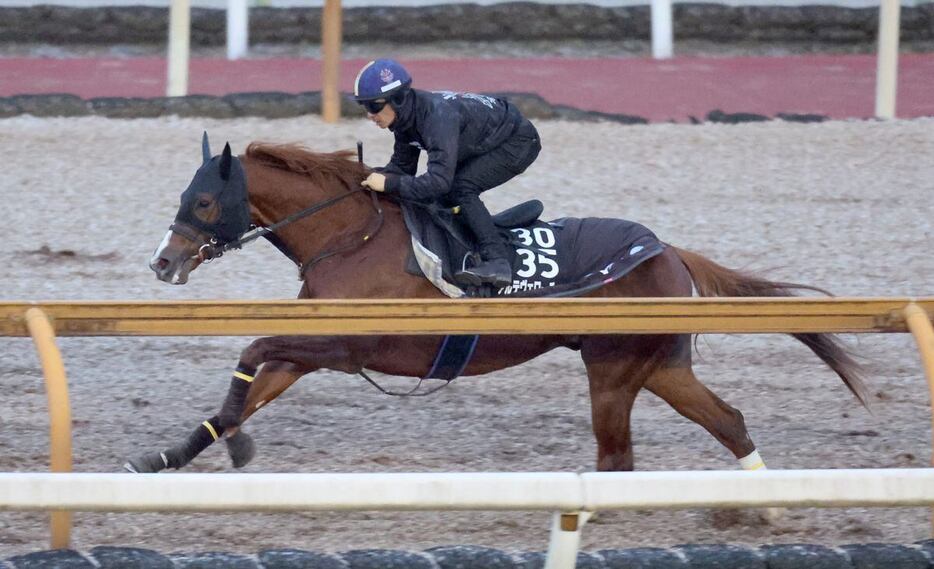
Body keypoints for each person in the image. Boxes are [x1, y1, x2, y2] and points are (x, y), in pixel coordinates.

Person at [354, 58, 542, 288]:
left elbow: (438, 182)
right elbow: (401, 170)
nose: (369, 115)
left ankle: (498, 261)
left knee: (460, 188)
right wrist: (363, 177)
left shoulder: (436, 117)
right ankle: (470, 237)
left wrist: (389, 185)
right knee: (440, 196)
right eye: (365, 107)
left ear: (399, 100)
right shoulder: (405, 120)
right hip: (484, 140)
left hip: (518, 142)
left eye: (374, 106)